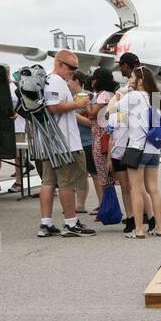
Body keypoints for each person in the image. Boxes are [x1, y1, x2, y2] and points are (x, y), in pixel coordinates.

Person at [32, 52, 95, 236]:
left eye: (76, 68)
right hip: (64, 143)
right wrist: (77, 104)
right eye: (71, 67)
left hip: (50, 142)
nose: (73, 72)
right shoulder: (57, 81)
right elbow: (54, 107)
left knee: (48, 182)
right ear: (59, 64)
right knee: (67, 183)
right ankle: (70, 223)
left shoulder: (49, 81)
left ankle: (46, 223)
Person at [110, 67, 161, 237]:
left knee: (136, 189)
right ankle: (160, 228)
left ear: (140, 80)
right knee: (153, 189)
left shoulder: (133, 96)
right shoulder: (156, 98)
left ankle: (139, 230)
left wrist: (119, 94)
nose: (130, 80)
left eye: (132, 78)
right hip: (153, 149)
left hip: (136, 147)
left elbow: (110, 110)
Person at [68, 70, 102, 214]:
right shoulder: (69, 97)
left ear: (76, 81)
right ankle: (79, 205)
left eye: (69, 80)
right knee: (79, 175)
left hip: (88, 141)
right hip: (74, 141)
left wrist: (73, 114)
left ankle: (102, 204)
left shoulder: (88, 97)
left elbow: (92, 122)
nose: (66, 82)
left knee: (94, 174)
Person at [86, 68, 117, 211]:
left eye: (94, 78)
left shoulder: (102, 95)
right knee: (110, 175)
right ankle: (110, 207)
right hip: (110, 135)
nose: (92, 81)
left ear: (98, 80)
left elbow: (92, 114)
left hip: (101, 138)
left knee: (103, 175)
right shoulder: (113, 94)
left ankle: (107, 208)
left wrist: (85, 101)